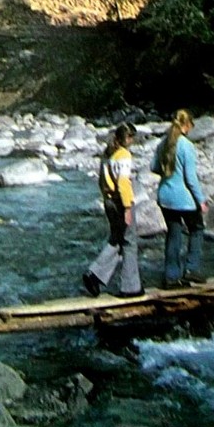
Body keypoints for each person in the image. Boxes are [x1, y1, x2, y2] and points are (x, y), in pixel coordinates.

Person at [82, 122, 144, 299]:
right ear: (127, 138)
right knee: (130, 242)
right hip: (120, 202)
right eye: (131, 137)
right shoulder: (123, 155)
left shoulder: (107, 153)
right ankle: (131, 287)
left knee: (116, 238)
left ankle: (95, 274)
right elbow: (124, 183)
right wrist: (127, 207)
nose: (133, 140)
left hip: (109, 201)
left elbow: (102, 180)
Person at [150, 108, 209, 289]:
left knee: (174, 234)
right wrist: (201, 200)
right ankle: (191, 269)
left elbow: (153, 167)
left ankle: (171, 277)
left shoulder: (164, 143)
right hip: (184, 199)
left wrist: (168, 172)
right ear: (186, 125)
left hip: (165, 197)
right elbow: (190, 178)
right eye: (190, 125)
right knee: (197, 229)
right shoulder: (186, 146)